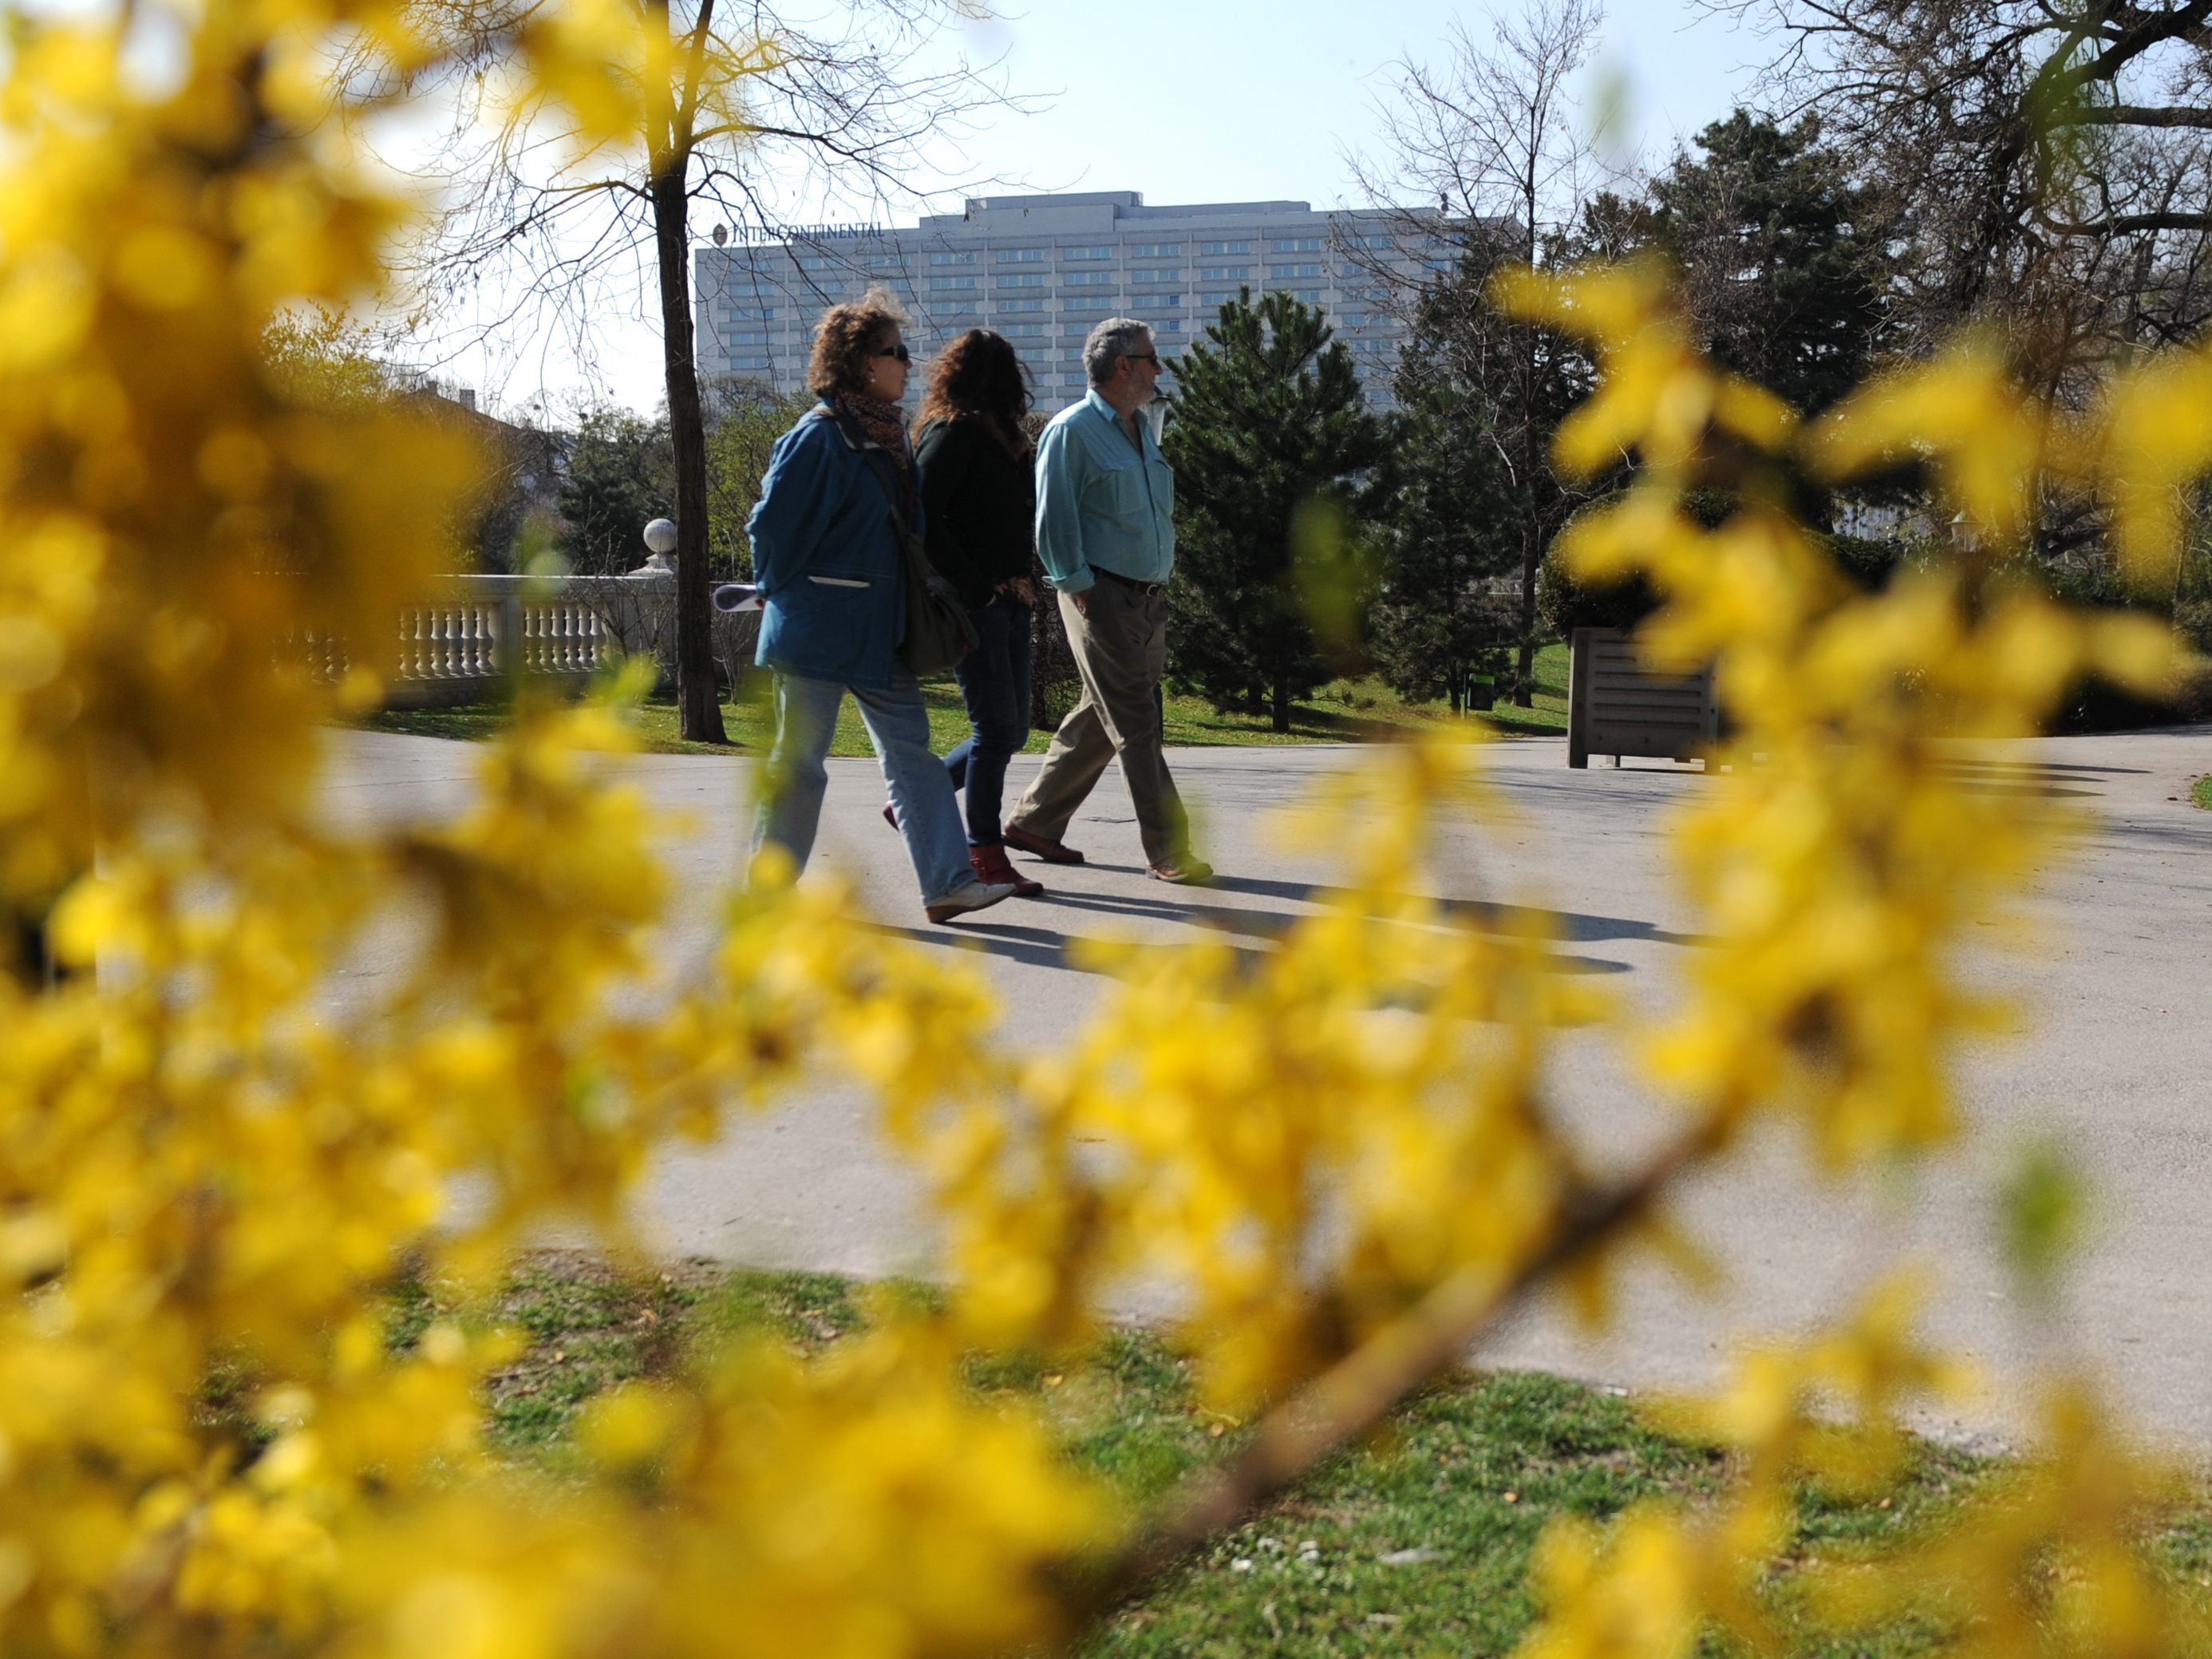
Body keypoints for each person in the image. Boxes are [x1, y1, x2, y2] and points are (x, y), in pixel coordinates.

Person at [745, 289, 1017, 925]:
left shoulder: (888, 436)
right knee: (801, 767)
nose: (909, 364)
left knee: (914, 757)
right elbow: (771, 531)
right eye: (897, 352)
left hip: (881, 633)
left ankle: (949, 883)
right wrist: (787, 594)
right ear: (865, 362)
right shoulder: (818, 437)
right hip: (817, 635)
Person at [1001, 318, 1212, 884]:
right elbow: (1054, 520)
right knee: (1139, 722)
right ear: (1124, 367)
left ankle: (1034, 822)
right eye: (1152, 359)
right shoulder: (1072, 431)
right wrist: (1079, 586)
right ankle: (1169, 847)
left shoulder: (1141, 427)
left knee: (1105, 713)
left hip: (1147, 598)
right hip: (1101, 596)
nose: (1160, 369)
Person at [910, 330, 1046, 899]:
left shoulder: (1008, 437)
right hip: (976, 604)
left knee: (1012, 729)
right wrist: (977, 588)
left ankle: (915, 803)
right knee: (994, 730)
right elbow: (922, 514)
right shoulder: (954, 432)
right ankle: (985, 855)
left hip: (1013, 600)